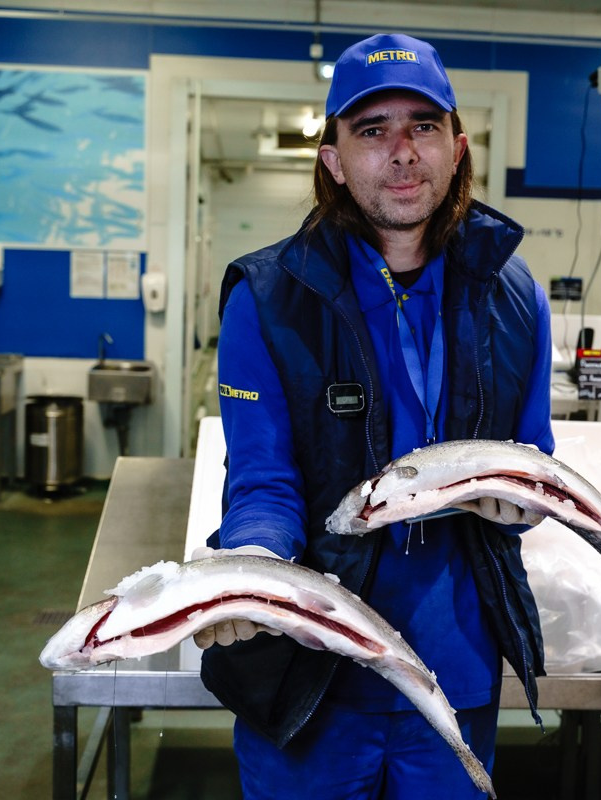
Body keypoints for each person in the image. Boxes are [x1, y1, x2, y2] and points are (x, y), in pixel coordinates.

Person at [199, 32, 555, 799]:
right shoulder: (265, 300)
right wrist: (254, 572)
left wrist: (521, 506)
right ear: (331, 158)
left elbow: (535, 461)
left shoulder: (514, 297)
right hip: (312, 681)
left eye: (422, 126)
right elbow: (263, 483)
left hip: (455, 673)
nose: (402, 151)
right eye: (371, 130)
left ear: (457, 147)